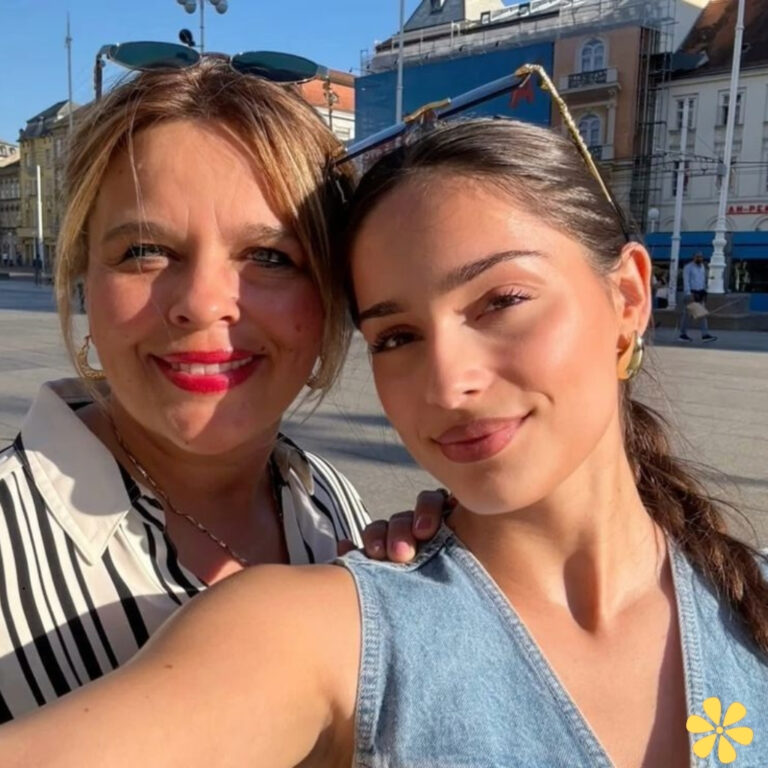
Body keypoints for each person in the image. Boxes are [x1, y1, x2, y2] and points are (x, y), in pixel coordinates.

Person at [3, 118, 767, 768]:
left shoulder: (329, 512)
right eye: (397, 336)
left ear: (628, 297)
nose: (449, 383)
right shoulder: (319, 630)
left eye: (501, 301)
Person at [0, 56, 441, 724]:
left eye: (269, 257)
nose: (204, 304)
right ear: (84, 277)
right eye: (144, 250)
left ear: (329, 298)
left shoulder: (330, 504)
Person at [679, 252, 717, 343]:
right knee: (687, 316)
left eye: (701, 257)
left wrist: (704, 290)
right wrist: (688, 294)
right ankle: (682, 334)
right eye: (697, 257)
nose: (699, 258)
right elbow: (686, 281)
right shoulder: (688, 267)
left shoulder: (702, 267)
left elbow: (702, 280)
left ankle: (705, 335)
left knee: (702, 314)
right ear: (694, 257)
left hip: (700, 293)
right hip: (691, 294)